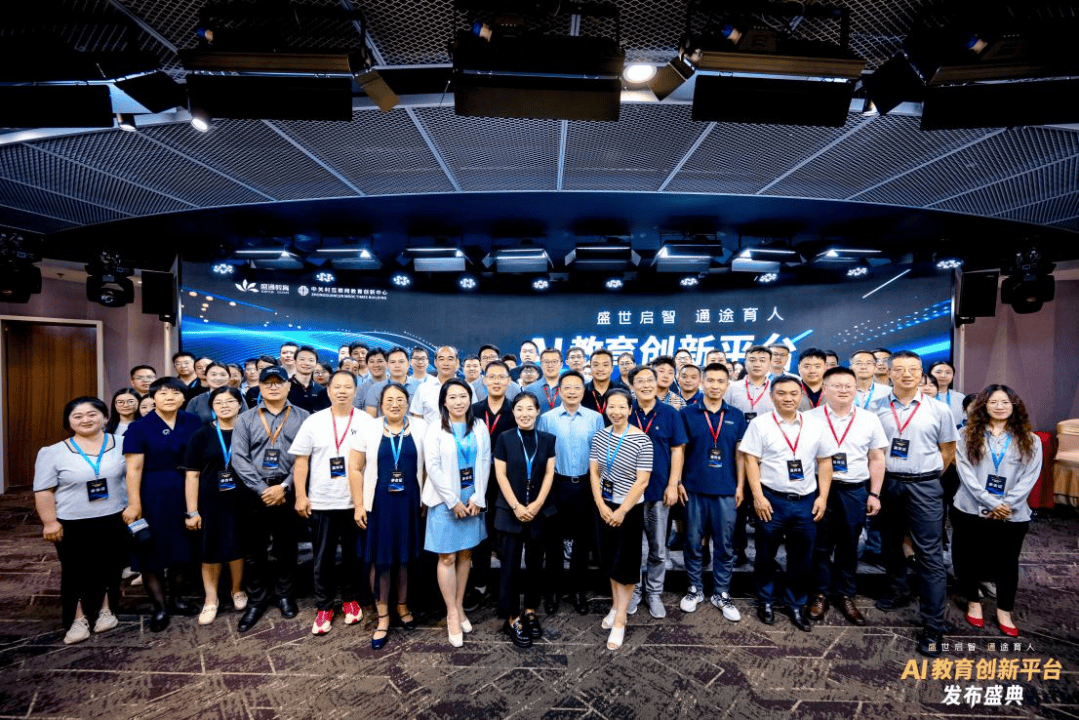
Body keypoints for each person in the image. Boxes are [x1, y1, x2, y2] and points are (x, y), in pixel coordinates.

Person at [873, 350, 958, 658]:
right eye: (899, 369)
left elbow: (948, 450)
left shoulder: (939, 410)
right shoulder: (875, 407)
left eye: (912, 369)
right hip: (888, 484)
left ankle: (934, 625)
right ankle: (898, 589)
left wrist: (927, 475)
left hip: (925, 485)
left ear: (921, 373)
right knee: (890, 542)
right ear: (889, 373)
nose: (906, 374)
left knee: (929, 554)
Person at [740, 376, 833, 632]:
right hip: (771, 500)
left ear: (801, 395)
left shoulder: (815, 425)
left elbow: (825, 461)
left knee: (802, 557)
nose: (788, 398)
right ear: (772, 396)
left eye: (793, 393)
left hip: (806, 501)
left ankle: (795, 603)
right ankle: (766, 600)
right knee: (765, 554)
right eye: (781, 393)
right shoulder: (760, 424)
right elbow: (750, 460)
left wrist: (823, 497)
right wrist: (758, 496)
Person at [34, 396, 128, 644]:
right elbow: (43, 491)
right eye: (78, 416)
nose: (85, 420)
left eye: (92, 414)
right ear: (69, 422)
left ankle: (107, 610)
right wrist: (50, 522)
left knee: (111, 566)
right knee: (75, 570)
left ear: (105, 418)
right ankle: (77, 619)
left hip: (114, 516)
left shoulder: (123, 443)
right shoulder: (53, 452)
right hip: (72, 521)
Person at [952, 385, 1041, 637]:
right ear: (984, 406)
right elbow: (966, 474)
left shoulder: (1030, 439)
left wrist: (1007, 504)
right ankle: (973, 602)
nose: (999, 407)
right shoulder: (966, 435)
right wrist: (990, 502)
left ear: (1014, 406)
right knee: (968, 558)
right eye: (993, 402)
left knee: (1007, 562)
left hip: (1012, 513)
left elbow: (1029, 477)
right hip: (970, 508)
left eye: (1005, 402)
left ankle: (1004, 610)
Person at [806, 367, 888, 626]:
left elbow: (876, 458)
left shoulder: (869, 419)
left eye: (848, 386)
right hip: (819, 490)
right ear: (825, 388)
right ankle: (820, 593)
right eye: (837, 385)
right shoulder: (809, 418)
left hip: (854, 489)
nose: (843, 390)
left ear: (855, 389)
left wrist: (874, 493)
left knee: (849, 544)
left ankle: (845, 594)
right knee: (819, 544)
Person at [291, 370, 372, 635]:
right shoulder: (314, 421)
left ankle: (350, 600)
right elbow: (301, 461)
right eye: (337, 387)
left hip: (354, 502)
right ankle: (324, 606)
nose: (342, 391)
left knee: (352, 556)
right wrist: (300, 495)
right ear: (328, 391)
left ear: (355, 391)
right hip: (322, 502)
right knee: (322, 557)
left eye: (348, 387)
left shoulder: (366, 421)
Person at [231, 366, 311, 632]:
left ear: (288, 386)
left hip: (288, 490)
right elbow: (239, 458)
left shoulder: (303, 417)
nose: (274, 387)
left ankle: (285, 595)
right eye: (268, 383)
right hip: (255, 493)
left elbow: (305, 457)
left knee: (287, 548)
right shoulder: (245, 419)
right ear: (260, 387)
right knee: (254, 551)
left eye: (279, 382)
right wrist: (262, 489)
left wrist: (284, 487)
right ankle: (257, 600)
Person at [122, 377, 203, 631]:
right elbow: (133, 469)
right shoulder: (139, 427)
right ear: (152, 398)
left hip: (189, 490)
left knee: (183, 551)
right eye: (163, 393)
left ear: (184, 397)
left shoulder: (193, 421)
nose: (170, 397)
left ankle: (177, 600)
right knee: (152, 554)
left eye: (176, 393)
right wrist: (134, 504)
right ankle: (159, 608)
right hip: (152, 494)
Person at [350, 382, 427, 650]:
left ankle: (402, 606)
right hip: (379, 503)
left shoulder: (421, 427)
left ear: (407, 403)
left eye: (400, 399)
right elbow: (355, 468)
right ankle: (383, 615)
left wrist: (425, 499)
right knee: (381, 559)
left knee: (404, 557)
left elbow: (427, 467)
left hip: (409, 503)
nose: (395, 404)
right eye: (389, 400)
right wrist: (359, 505)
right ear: (381, 404)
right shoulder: (369, 428)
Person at [423, 379, 491, 646]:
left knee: (465, 554)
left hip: (472, 500)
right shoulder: (435, 428)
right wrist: (452, 501)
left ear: (470, 398)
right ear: (444, 401)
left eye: (463, 396)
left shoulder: (479, 425)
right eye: (452, 397)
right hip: (444, 501)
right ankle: (452, 613)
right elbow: (433, 466)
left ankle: (460, 605)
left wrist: (478, 496)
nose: (458, 401)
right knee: (447, 556)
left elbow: (484, 460)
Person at [678, 363, 747, 622]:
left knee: (725, 544)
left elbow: (740, 455)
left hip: (726, 491)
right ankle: (694, 589)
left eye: (720, 381)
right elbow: (680, 451)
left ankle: (721, 592)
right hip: (693, 489)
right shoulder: (687, 414)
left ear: (728, 385)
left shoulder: (736, 415)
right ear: (702, 383)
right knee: (693, 542)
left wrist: (740, 486)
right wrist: (678, 482)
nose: (715, 386)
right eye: (710, 380)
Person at [589, 388, 653, 650]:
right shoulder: (600, 436)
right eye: (611, 406)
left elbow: (642, 481)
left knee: (626, 565)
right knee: (610, 560)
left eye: (621, 407)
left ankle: (620, 620)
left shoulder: (642, 440)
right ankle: (616, 607)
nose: (616, 411)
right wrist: (601, 505)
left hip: (629, 510)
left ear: (630, 409)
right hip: (605, 506)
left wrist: (621, 511)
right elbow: (594, 472)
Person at [537, 370, 605, 616]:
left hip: (585, 485)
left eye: (577, 387)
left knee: (582, 542)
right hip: (556, 484)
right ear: (560, 391)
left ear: (583, 391)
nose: (572, 391)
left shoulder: (596, 418)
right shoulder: (547, 419)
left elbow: (600, 453)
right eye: (567, 387)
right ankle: (553, 592)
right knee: (553, 541)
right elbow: (542, 453)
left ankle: (578, 591)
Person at [493, 392, 558, 648]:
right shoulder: (505, 438)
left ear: (538, 411)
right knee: (509, 564)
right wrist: (516, 506)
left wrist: (537, 504)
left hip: (539, 511)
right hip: (510, 510)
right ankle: (510, 617)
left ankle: (530, 609)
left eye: (529, 409)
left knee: (534, 563)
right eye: (519, 409)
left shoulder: (548, 439)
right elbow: (500, 475)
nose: (525, 414)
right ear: (513, 412)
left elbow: (550, 473)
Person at [182, 387, 248, 625]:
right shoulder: (201, 434)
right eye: (219, 402)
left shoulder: (247, 431)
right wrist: (192, 511)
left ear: (240, 405)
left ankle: (237, 590)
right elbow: (192, 474)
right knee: (209, 549)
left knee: (238, 545)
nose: (225, 405)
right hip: (210, 501)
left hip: (242, 500)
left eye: (230, 401)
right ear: (212, 407)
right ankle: (211, 599)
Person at [626, 366, 686, 619]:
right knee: (631, 548)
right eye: (640, 381)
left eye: (650, 380)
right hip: (629, 493)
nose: (646, 385)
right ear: (632, 387)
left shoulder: (670, 413)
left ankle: (654, 593)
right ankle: (634, 591)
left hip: (659, 491)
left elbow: (677, 450)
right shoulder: (625, 411)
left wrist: (673, 484)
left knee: (658, 548)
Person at [464, 360, 519, 612]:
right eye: (492, 377)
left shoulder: (516, 410)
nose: (496, 381)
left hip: (507, 484)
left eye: (501, 377)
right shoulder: (473, 410)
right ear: (484, 380)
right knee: (480, 537)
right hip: (478, 484)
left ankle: (505, 588)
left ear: (509, 381)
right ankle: (480, 585)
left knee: (506, 537)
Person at [411, 346, 460, 425]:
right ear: (435, 362)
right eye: (441, 359)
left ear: (457, 362)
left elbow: (473, 415)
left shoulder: (467, 388)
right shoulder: (423, 388)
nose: (445, 363)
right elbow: (416, 417)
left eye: (450, 359)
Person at [724, 345, 774, 422]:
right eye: (752, 360)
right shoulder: (732, 388)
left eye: (762, 361)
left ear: (770, 364)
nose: (757, 364)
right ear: (745, 363)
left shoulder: (775, 390)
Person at [362, 346, 411, 417]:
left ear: (408, 363)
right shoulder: (375, 389)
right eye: (393, 362)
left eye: (401, 361)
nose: (397, 365)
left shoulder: (420, 387)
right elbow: (371, 419)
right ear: (387, 364)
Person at [288, 346, 330, 413]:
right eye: (302, 359)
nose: (306, 363)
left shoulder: (321, 390)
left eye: (311, 360)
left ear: (316, 364)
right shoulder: (285, 386)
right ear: (295, 361)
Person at [526, 348, 565, 415]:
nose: (550, 365)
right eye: (546, 362)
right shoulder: (530, 389)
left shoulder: (569, 388)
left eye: (554, 361)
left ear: (561, 364)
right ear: (541, 364)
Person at [928, 361, 965, 427]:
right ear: (930, 374)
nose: (943, 376)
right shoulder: (924, 396)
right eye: (938, 372)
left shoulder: (960, 397)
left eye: (948, 373)